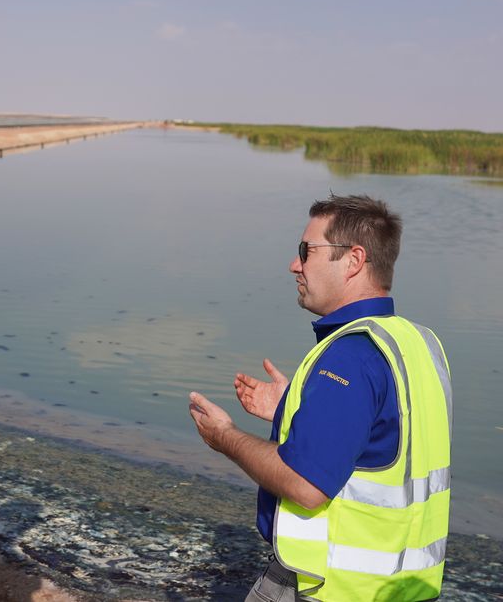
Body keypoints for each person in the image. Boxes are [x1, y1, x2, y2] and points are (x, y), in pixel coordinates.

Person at [188, 194, 452, 601]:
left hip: (325, 587)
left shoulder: (351, 355)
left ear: (353, 260)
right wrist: (290, 411)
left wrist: (225, 437)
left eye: (306, 251)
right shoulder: (419, 343)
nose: (295, 264)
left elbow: (307, 484)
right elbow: (385, 441)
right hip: (406, 589)